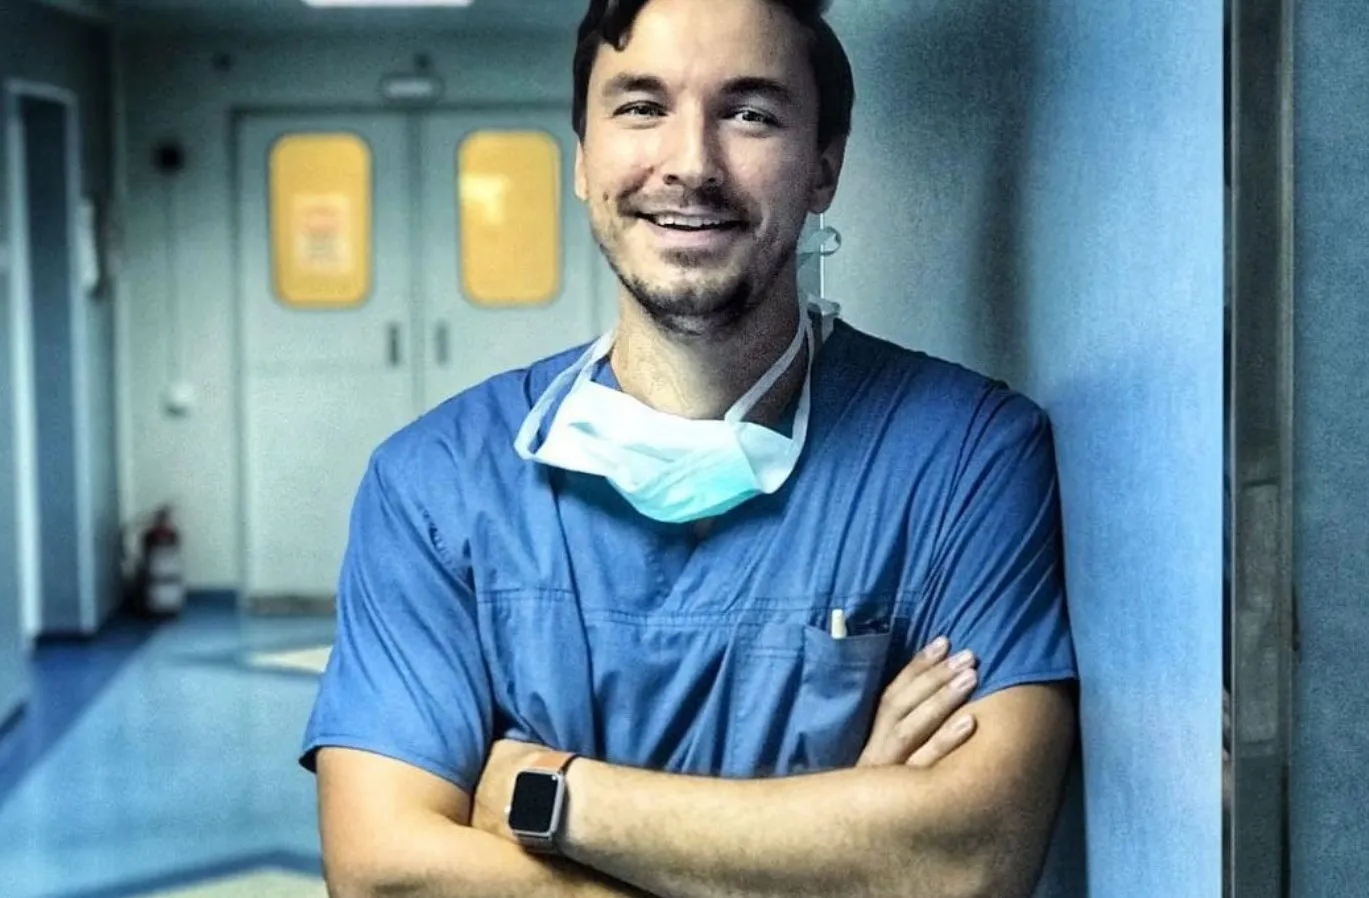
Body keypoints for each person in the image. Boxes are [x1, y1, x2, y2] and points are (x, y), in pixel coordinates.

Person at [301, 0, 1079, 895]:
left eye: (749, 113)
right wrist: (835, 853)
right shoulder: (433, 484)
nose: (690, 165)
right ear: (582, 157)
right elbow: (386, 874)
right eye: (641, 107)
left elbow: (968, 859)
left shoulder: (967, 458)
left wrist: (549, 796)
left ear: (823, 165)